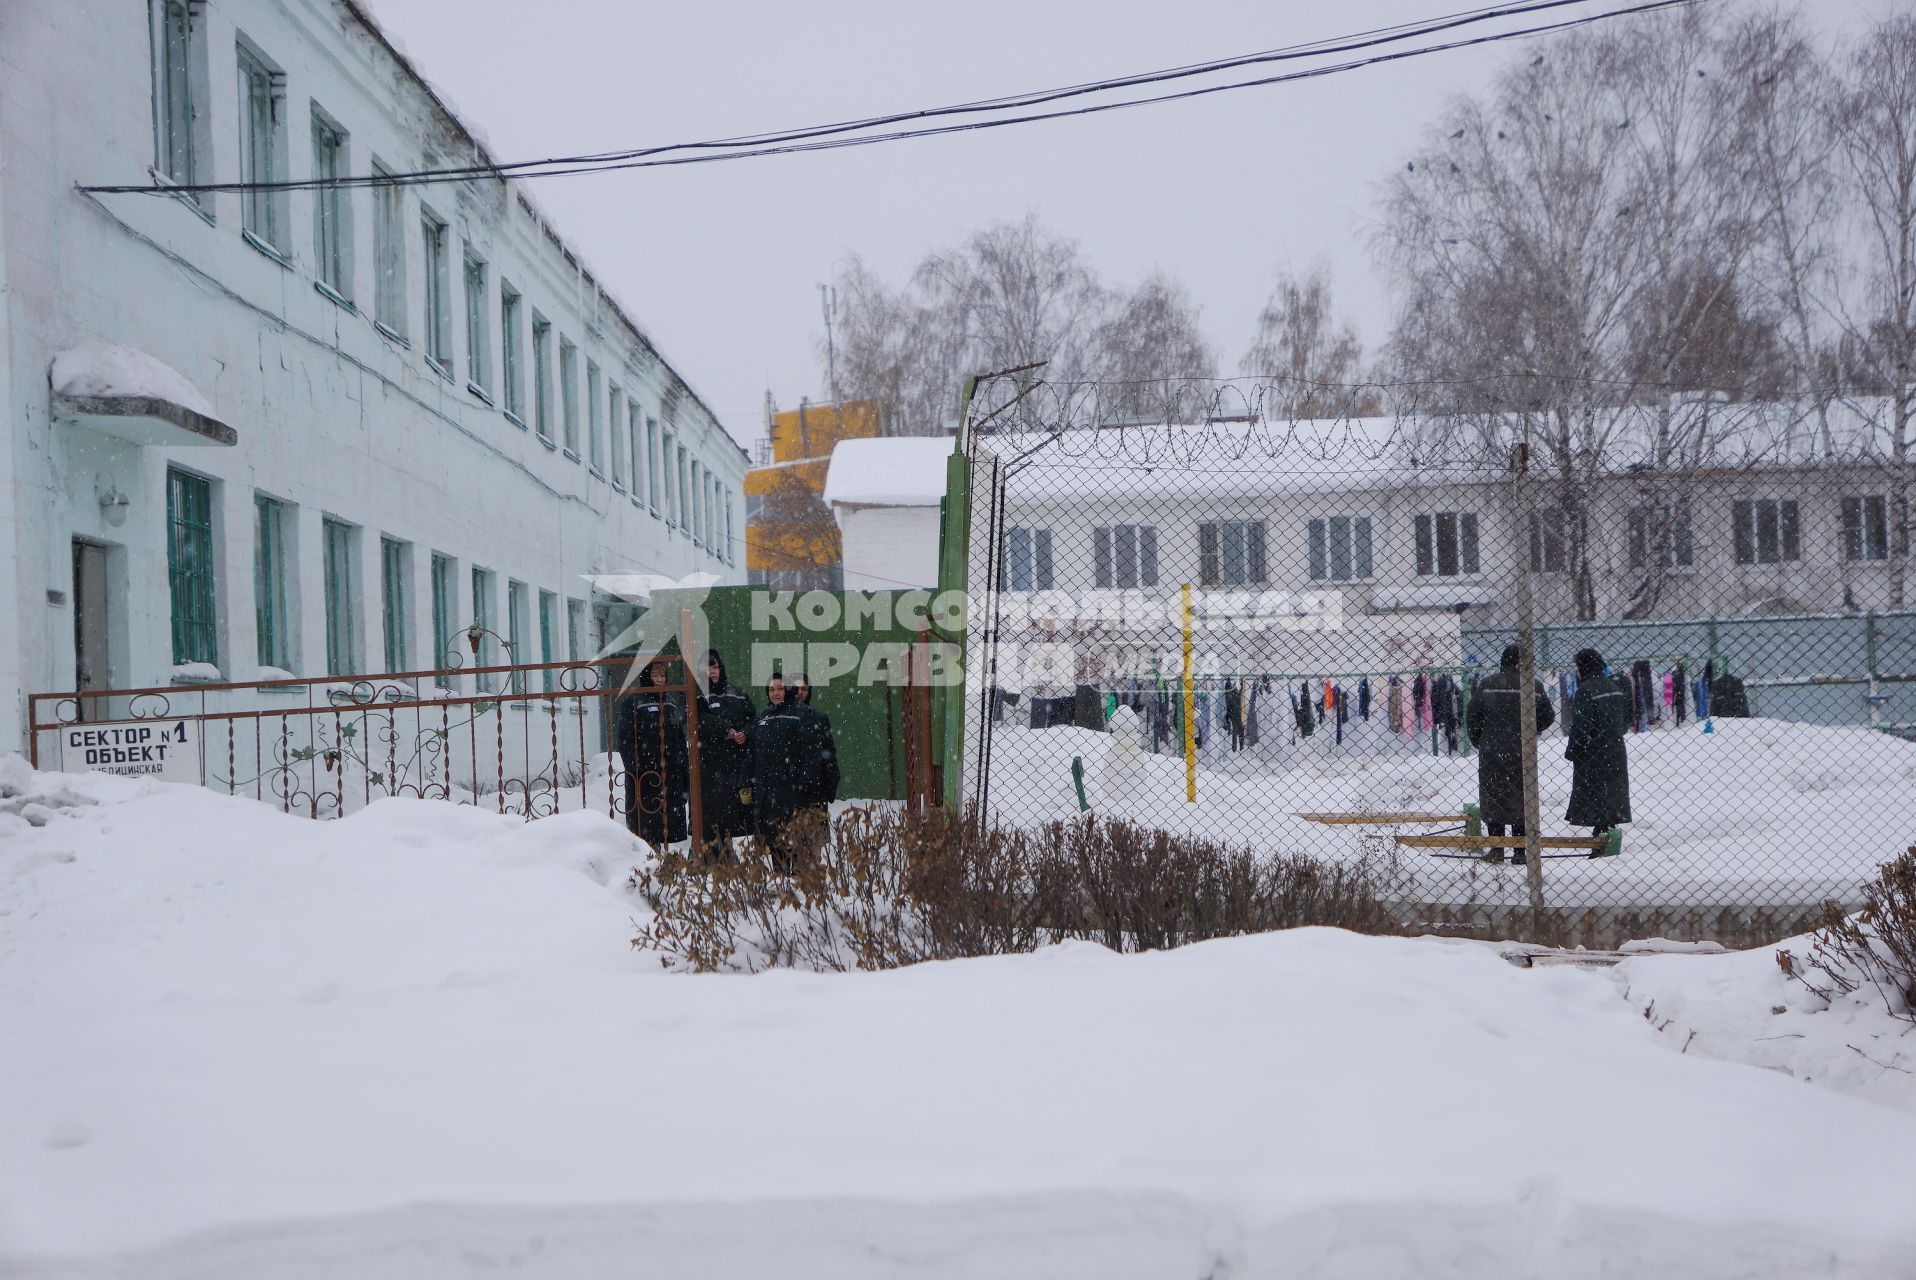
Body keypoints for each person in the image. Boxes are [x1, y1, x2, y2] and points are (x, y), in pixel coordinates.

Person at [1464, 643, 1555, 863]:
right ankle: (1521, 851)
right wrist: (1531, 730)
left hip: (1492, 751)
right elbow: (1548, 716)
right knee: (1522, 796)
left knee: (1494, 796)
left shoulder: (1487, 685)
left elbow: (1472, 717)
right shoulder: (1533, 685)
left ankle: (1497, 849)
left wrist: (1482, 740)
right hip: (1523, 750)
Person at [615, 658, 688, 849]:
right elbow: (625, 738)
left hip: (669, 772)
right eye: (655, 675)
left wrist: (682, 769)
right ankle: (646, 861)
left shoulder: (670, 703)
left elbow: (679, 738)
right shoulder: (635, 701)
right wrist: (637, 767)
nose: (659, 679)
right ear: (647, 676)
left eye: (662, 675)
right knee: (645, 824)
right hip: (645, 774)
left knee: (666, 823)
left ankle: (662, 864)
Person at [1564, 648, 1632, 835]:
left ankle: (1600, 839)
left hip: (1592, 754)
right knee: (1610, 797)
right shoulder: (1615, 688)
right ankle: (1607, 835)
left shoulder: (1585, 692)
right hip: (1616, 751)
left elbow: (1581, 728)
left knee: (1595, 799)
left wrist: (1573, 752)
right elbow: (1626, 722)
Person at [695, 649, 756, 848]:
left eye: (715, 667)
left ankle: (734, 855)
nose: (712, 672)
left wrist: (744, 732)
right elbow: (698, 719)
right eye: (708, 668)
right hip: (711, 763)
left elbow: (753, 718)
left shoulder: (737, 693)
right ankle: (712, 853)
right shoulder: (698, 694)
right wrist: (726, 730)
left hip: (738, 762)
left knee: (739, 813)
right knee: (712, 813)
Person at [789, 672, 841, 813]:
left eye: (804, 689)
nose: (800, 693)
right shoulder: (780, 718)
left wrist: (831, 784)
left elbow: (829, 753)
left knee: (816, 833)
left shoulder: (819, 718)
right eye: (796, 688)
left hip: (815, 790)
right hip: (787, 791)